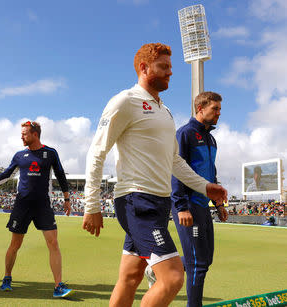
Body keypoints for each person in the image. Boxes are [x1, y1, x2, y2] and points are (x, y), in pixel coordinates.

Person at [82, 43, 228, 307]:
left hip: (160, 204)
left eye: (171, 68)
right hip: (137, 201)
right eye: (164, 67)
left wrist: (206, 187)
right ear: (144, 67)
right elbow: (96, 152)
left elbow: (175, 161)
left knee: (130, 276)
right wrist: (91, 205)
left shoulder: (165, 110)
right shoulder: (125, 101)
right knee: (172, 278)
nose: (170, 73)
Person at [145, 91, 229, 306]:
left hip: (203, 205)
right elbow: (176, 171)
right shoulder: (185, 133)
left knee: (205, 260)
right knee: (197, 264)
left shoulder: (211, 138)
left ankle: (156, 269)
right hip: (188, 205)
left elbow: (211, 172)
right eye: (215, 109)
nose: (219, 113)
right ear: (200, 108)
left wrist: (219, 203)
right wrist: (181, 206)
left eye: (219, 109)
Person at [0, 121, 73, 298]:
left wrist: (67, 199)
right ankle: (7, 278)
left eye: (24, 134)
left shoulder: (50, 153)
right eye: (21, 134)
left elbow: (60, 175)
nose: (21, 136)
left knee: (53, 243)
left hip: (43, 205)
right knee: (15, 244)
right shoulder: (19, 155)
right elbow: (6, 174)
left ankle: (58, 285)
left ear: (35, 134)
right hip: (22, 204)